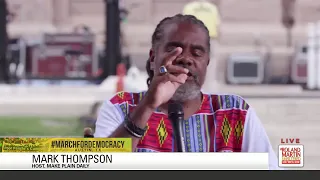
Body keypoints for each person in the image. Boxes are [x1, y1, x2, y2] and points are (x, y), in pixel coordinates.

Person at [94, 14, 279, 170]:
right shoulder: (120, 107)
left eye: (197, 53)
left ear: (207, 62)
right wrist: (148, 105)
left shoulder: (236, 112)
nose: (185, 59)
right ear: (153, 58)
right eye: (174, 50)